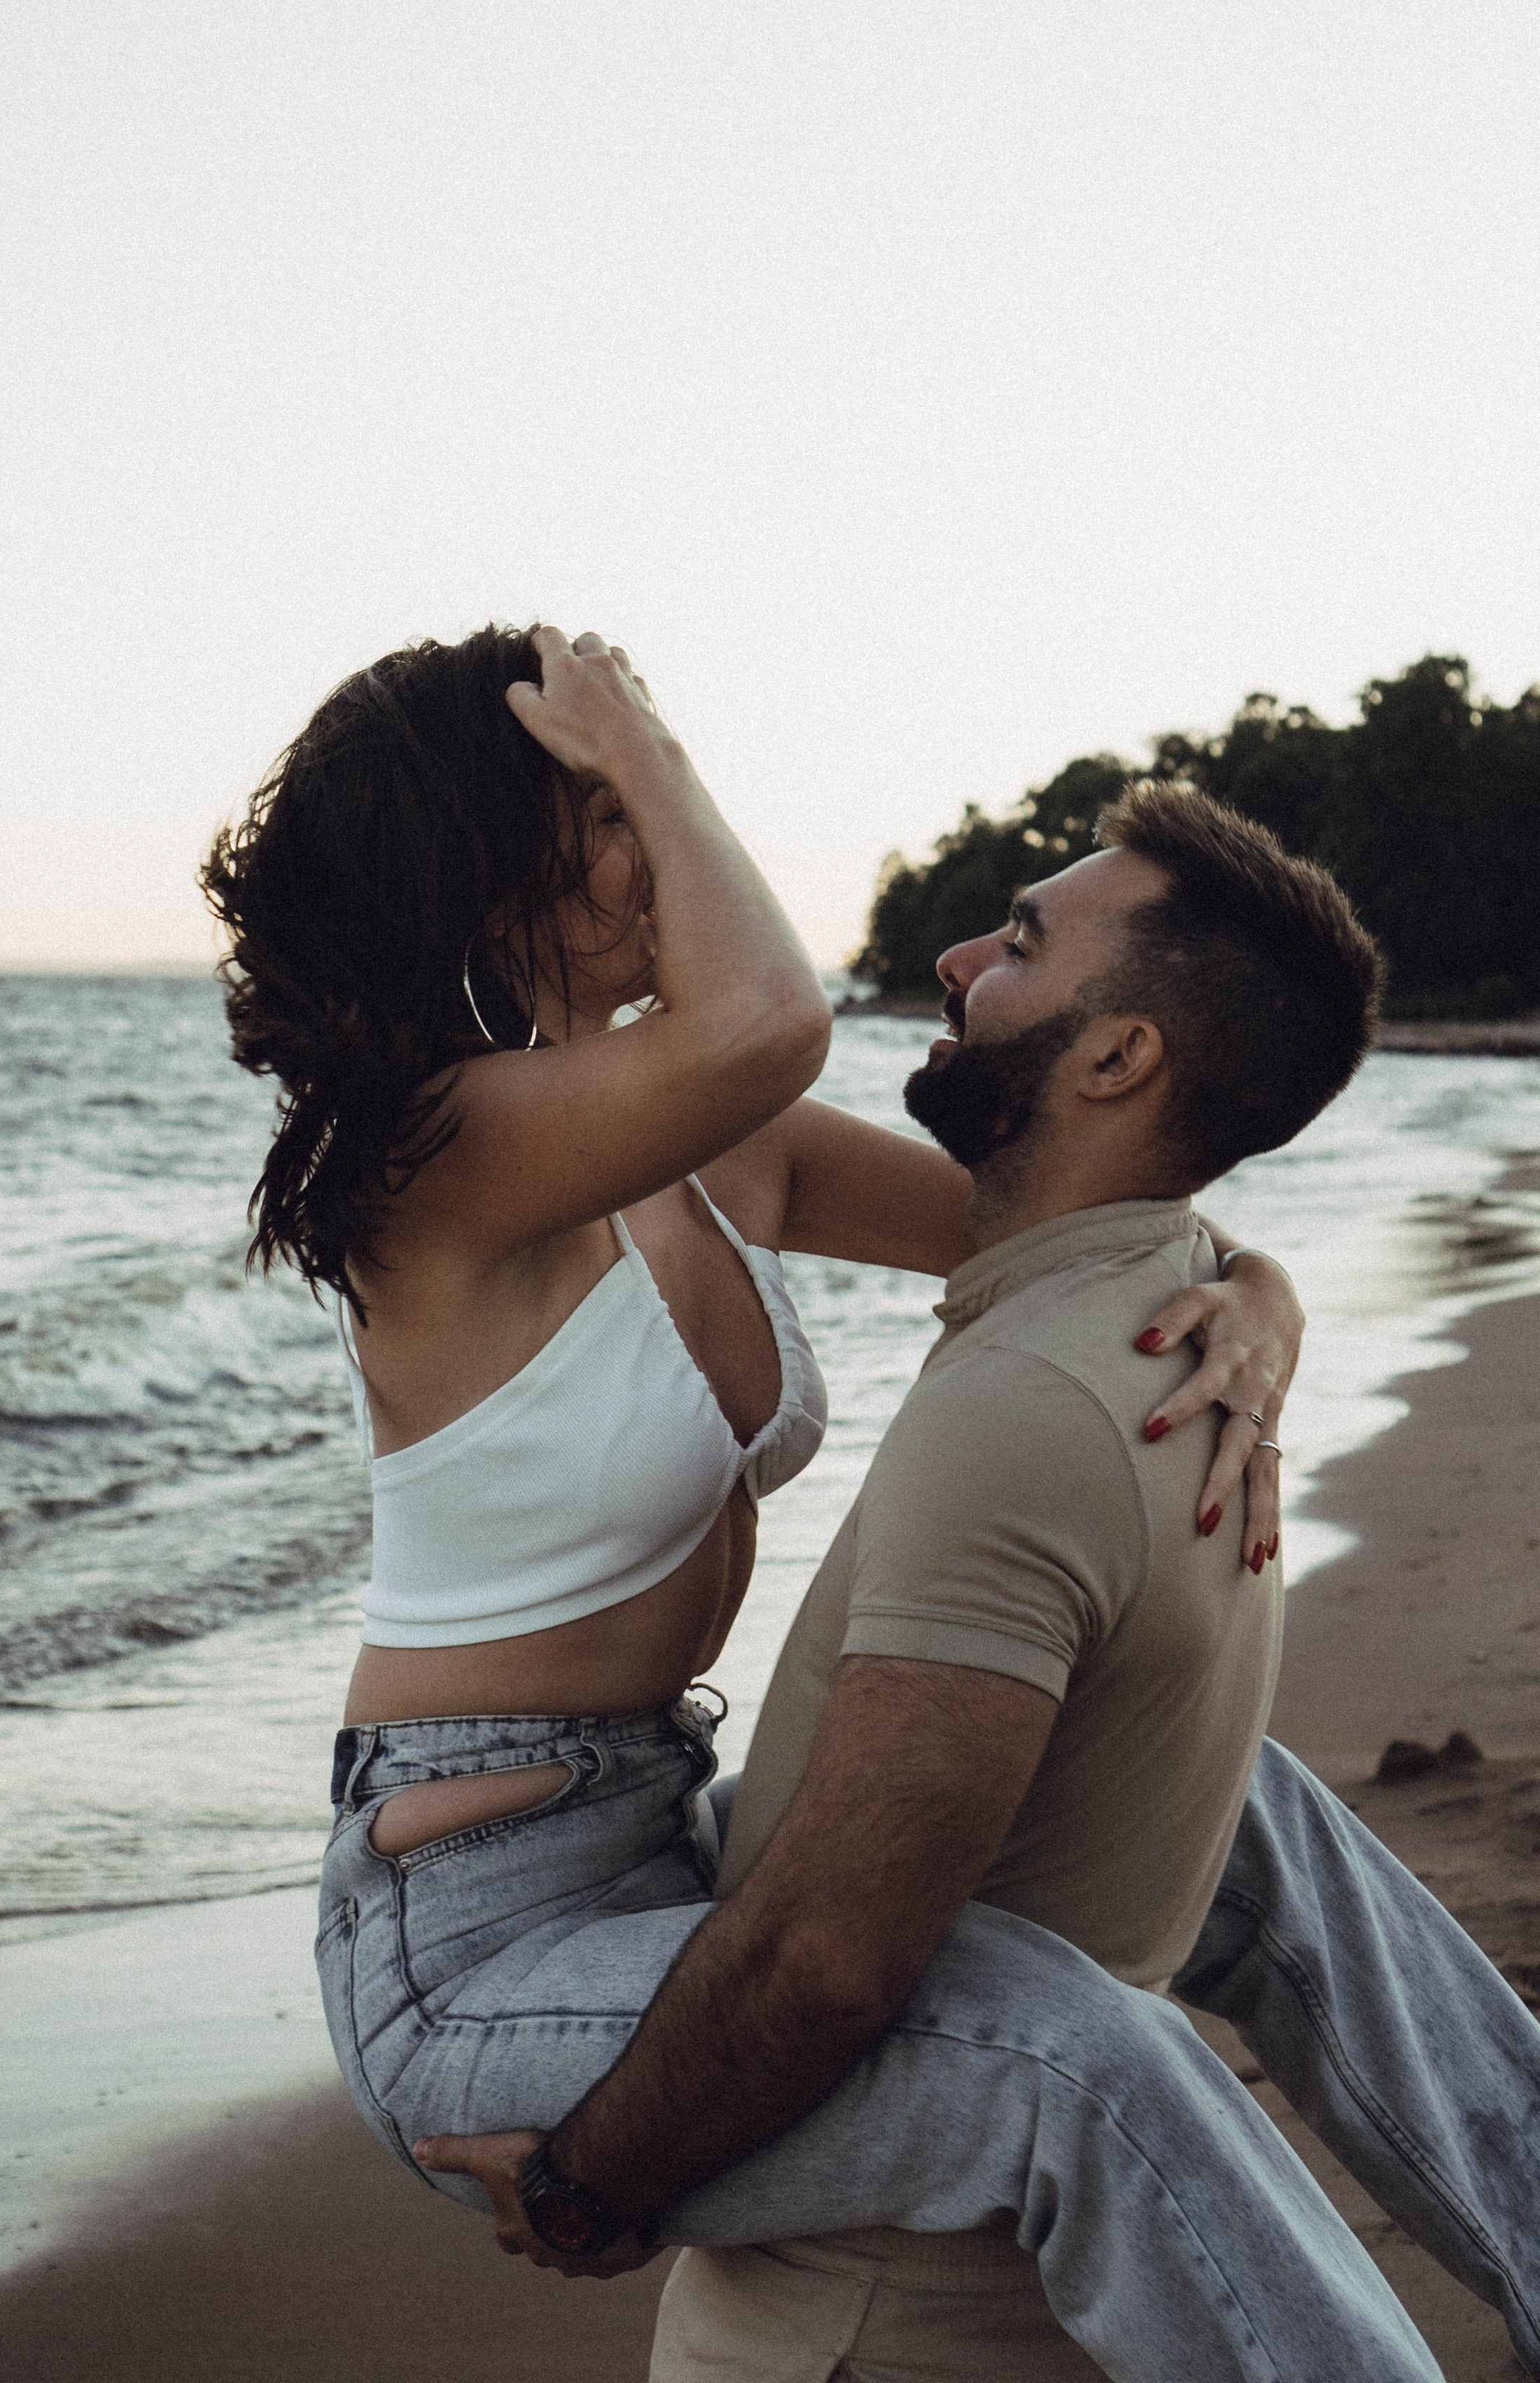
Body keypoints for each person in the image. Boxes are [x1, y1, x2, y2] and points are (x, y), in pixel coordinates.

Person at [202, 625, 1539, 2383]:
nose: (634, 845)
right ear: (483, 855)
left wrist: (1260, 1298)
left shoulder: (684, 1138)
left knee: (1243, 1814)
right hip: (468, 1947)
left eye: (628, 805)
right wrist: (645, 739)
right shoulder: (434, 1148)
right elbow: (768, 1016)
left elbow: (1052, 1219)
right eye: (593, 814)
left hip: (647, 1840)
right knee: (1074, 2054)